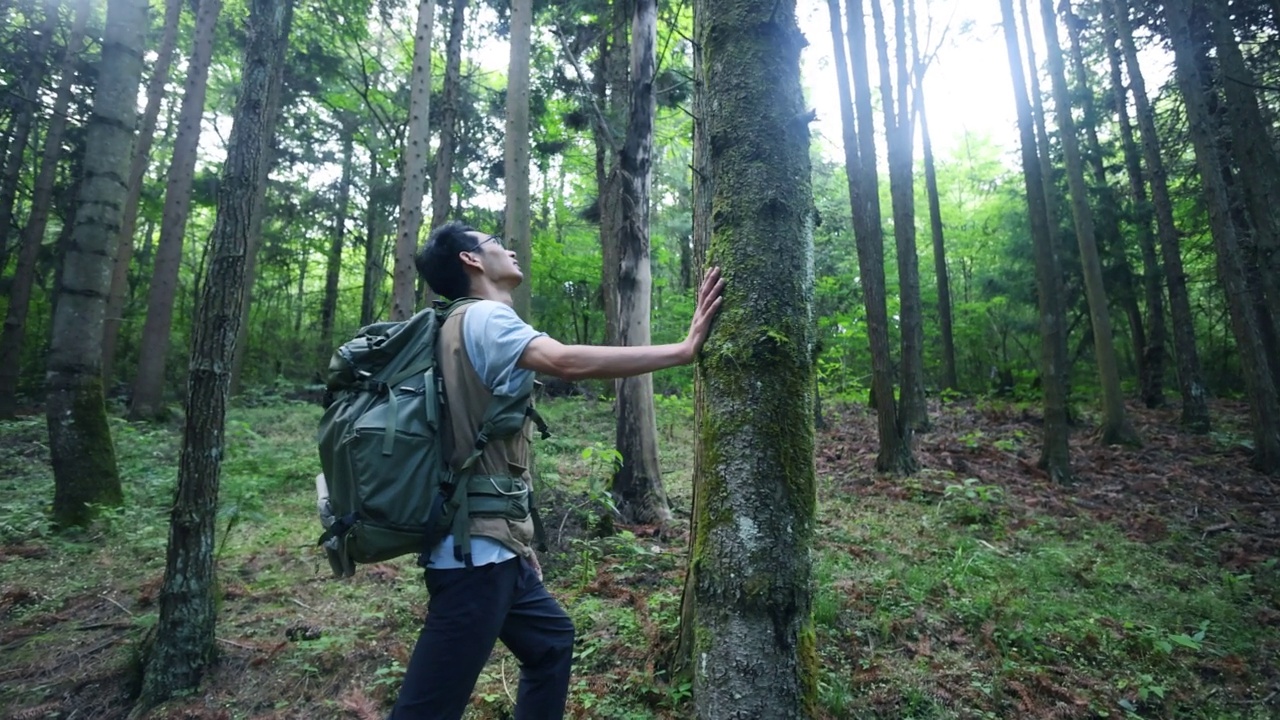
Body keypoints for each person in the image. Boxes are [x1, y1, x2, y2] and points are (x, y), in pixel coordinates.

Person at [388, 221, 725, 720]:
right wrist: (681, 350)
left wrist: (519, 541)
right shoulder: (485, 318)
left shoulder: (454, 324)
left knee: (550, 643)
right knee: (427, 709)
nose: (510, 247)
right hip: (473, 559)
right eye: (495, 243)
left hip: (490, 544)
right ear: (471, 261)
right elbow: (564, 361)